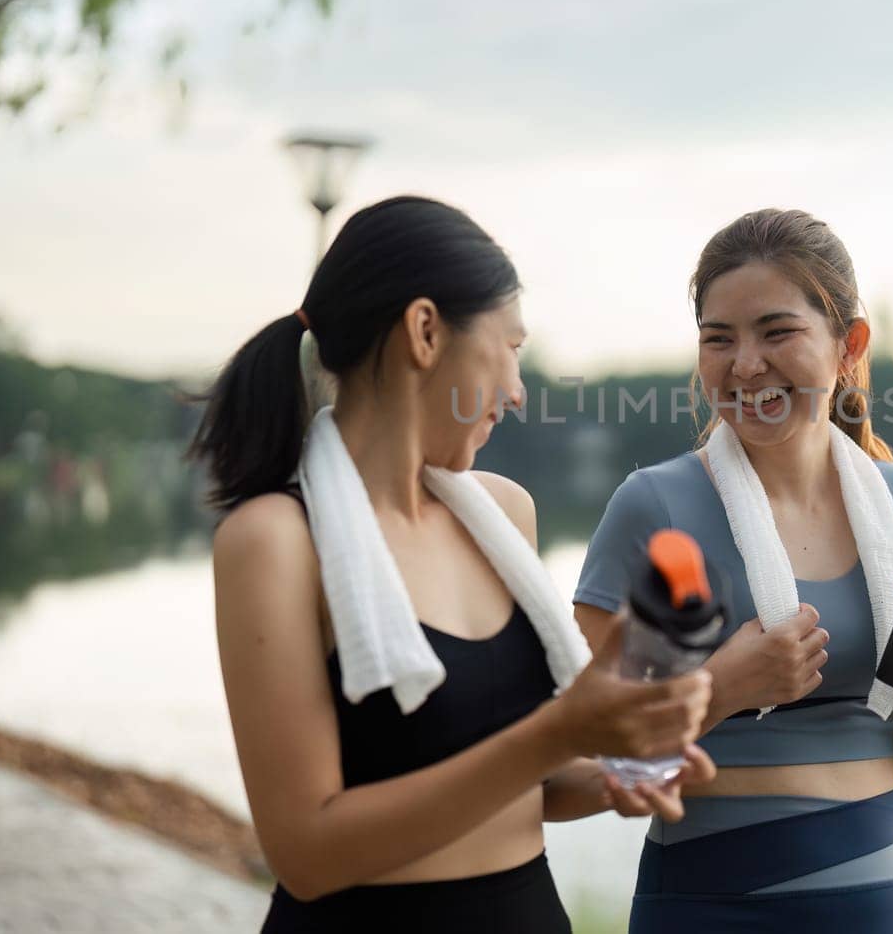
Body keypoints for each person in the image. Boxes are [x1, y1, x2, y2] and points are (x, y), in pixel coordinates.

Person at [190, 195, 715, 931]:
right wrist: (563, 730)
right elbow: (304, 851)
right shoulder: (275, 539)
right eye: (511, 347)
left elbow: (517, 779)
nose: (517, 390)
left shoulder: (503, 514)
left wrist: (608, 772)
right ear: (427, 331)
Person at [573, 208, 893, 933]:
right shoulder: (654, 507)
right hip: (706, 908)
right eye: (719, 339)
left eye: (777, 332)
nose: (745, 364)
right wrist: (722, 688)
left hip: (877, 906)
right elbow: (587, 746)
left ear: (850, 344)